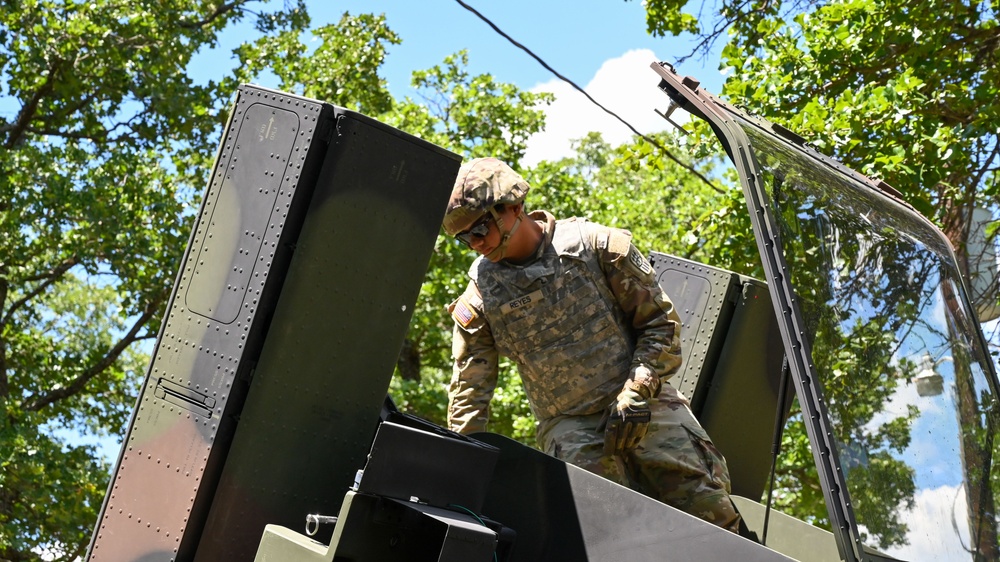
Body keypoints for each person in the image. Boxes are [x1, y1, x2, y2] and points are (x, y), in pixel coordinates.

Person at [442, 157, 742, 533]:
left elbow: (660, 326)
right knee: (607, 539)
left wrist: (637, 389)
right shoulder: (480, 298)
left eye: (481, 228)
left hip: (643, 400)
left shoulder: (598, 247)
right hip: (569, 428)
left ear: (514, 207)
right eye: (464, 237)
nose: (476, 244)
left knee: (710, 515)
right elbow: (470, 392)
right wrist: (459, 469)